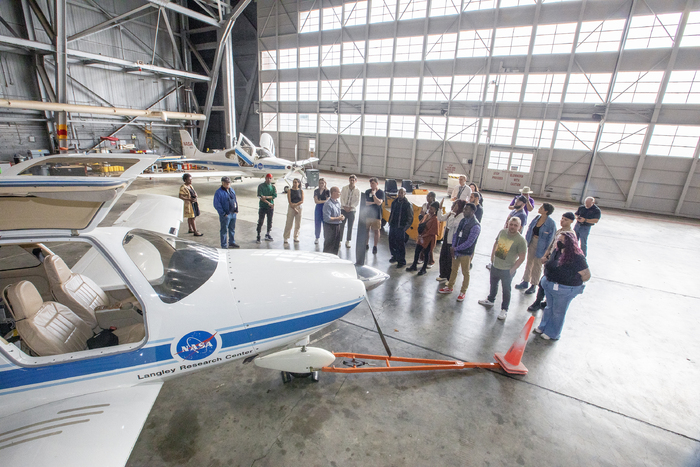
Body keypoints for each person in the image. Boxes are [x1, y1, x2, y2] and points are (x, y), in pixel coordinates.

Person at [534, 231, 591, 340]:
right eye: (557, 240)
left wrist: (570, 280)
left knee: (558, 312)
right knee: (549, 308)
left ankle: (552, 333)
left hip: (564, 289)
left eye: (562, 241)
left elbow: (586, 275)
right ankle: (543, 326)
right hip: (550, 285)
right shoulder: (557, 251)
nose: (558, 242)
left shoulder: (577, 257)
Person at [478, 217, 527, 320]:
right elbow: (496, 243)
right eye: (511, 224)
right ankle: (490, 300)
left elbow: (522, 257)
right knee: (493, 284)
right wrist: (492, 257)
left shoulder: (520, 240)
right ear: (508, 224)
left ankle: (504, 309)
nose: (512, 227)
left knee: (506, 290)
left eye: (515, 225)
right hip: (496, 265)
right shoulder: (502, 232)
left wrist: (512, 269)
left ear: (519, 227)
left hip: (507, 269)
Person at [528, 211, 576, 312]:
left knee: (544, 283)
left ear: (571, 221)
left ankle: (539, 302)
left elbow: (567, 252)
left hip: (558, 264)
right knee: (545, 282)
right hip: (551, 260)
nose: (562, 221)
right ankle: (545, 301)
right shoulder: (560, 231)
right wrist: (546, 255)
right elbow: (551, 244)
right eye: (562, 218)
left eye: (566, 220)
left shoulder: (570, 235)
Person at [438, 203, 481, 302]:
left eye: (467, 210)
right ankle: (450, 287)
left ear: (473, 212)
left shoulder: (475, 225)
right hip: (456, 251)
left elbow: (470, 242)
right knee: (454, 269)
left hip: (465, 253)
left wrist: (456, 248)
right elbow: (456, 234)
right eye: (464, 209)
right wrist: (453, 246)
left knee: (465, 272)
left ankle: (463, 291)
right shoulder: (463, 221)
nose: (464, 211)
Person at [515, 203, 556, 294]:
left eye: (541, 208)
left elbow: (551, 238)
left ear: (546, 211)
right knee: (529, 262)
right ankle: (525, 281)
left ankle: (533, 284)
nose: (539, 208)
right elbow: (530, 230)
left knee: (537, 265)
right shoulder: (536, 218)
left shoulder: (550, 223)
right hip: (532, 241)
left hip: (542, 245)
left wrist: (547, 251)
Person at [436, 199, 466, 283]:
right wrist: (440, 208)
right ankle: (442, 275)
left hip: (453, 241)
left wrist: (452, 214)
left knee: (450, 260)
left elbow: (451, 224)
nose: (454, 206)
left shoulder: (461, 217)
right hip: (446, 238)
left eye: (456, 205)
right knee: (443, 256)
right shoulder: (451, 213)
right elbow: (440, 218)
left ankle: (449, 278)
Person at [406, 202, 439, 276]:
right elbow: (421, 223)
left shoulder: (435, 219)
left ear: (436, 210)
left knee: (426, 253)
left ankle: (423, 269)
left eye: (432, 209)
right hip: (422, 237)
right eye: (430, 208)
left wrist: (423, 235)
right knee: (417, 251)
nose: (430, 210)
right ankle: (414, 265)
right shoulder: (427, 216)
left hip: (428, 239)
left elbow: (433, 231)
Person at [388, 187, 414, 267]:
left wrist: (405, 228)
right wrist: (390, 222)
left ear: (405, 194)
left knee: (400, 245)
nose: (400, 194)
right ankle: (394, 256)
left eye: (402, 193)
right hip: (393, 225)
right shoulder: (394, 202)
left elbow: (410, 217)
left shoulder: (407, 204)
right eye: (399, 192)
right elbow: (392, 212)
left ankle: (401, 261)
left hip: (401, 227)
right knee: (391, 242)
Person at [213, 176, 239, 248]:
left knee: (232, 229)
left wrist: (236, 209)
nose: (228, 184)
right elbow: (216, 204)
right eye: (226, 182)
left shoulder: (231, 190)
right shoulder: (219, 192)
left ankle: (231, 242)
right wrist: (223, 213)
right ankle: (224, 245)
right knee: (224, 230)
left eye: (229, 182)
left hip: (233, 213)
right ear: (223, 183)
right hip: (226, 215)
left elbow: (235, 200)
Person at [362, 178, 384, 255]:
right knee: (367, 230)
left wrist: (374, 195)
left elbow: (379, 203)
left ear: (377, 184)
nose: (372, 185)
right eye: (371, 184)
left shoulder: (381, 192)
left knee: (376, 230)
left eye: (373, 183)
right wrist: (374, 202)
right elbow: (365, 203)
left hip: (377, 215)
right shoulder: (367, 192)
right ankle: (366, 244)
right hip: (368, 214)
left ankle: (375, 246)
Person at [340, 175, 361, 248]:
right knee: (341, 225)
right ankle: (339, 240)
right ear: (349, 180)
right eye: (351, 180)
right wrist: (344, 206)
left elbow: (357, 201)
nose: (352, 182)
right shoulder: (344, 188)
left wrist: (351, 207)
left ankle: (348, 240)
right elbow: (341, 197)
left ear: (355, 181)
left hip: (352, 210)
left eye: (353, 180)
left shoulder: (357, 190)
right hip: (343, 209)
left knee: (350, 226)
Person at [323, 186, 345, 255]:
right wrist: (338, 218)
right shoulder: (328, 204)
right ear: (334, 193)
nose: (340, 194)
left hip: (337, 226)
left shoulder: (338, 203)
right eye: (338, 192)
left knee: (336, 244)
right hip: (329, 227)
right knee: (329, 245)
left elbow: (338, 214)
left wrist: (341, 216)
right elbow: (327, 218)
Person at [256, 174, 277, 244]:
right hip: (263, 206)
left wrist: (267, 197)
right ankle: (258, 235)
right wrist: (268, 202)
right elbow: (261, 197)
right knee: (260, 221)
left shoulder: (273, 187)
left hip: (270, 207)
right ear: (265, 178)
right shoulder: (261, 186)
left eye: (270, 178)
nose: (269, 179)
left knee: (270, 221)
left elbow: (274, 195)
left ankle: (268, 233)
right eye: (267, 178)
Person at [283, 178, 304, 244]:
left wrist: (296, 205)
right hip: (291, 207)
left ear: (298, 183)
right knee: (289, 223)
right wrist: (294, 207)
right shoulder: (290, 191)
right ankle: (286, 237)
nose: (295, 184)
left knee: (298, 223)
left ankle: (296, 236)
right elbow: (289, 201)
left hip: (298, 207)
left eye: (296, 182)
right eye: (294, 182)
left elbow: (302, 200)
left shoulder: (301, 191)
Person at [313, 178, 330, 245]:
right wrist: (323, 201)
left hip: (325, 208)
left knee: (325, 223)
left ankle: (326, 237)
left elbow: (328, 201)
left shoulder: (327, 191)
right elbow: (316, 201)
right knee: (317, 223)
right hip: (318, 208)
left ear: (325, 183)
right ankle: (317, 237)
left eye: (323, 183)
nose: (321, 184)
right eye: (320, 183)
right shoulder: (316, 191)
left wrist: (320, 201)